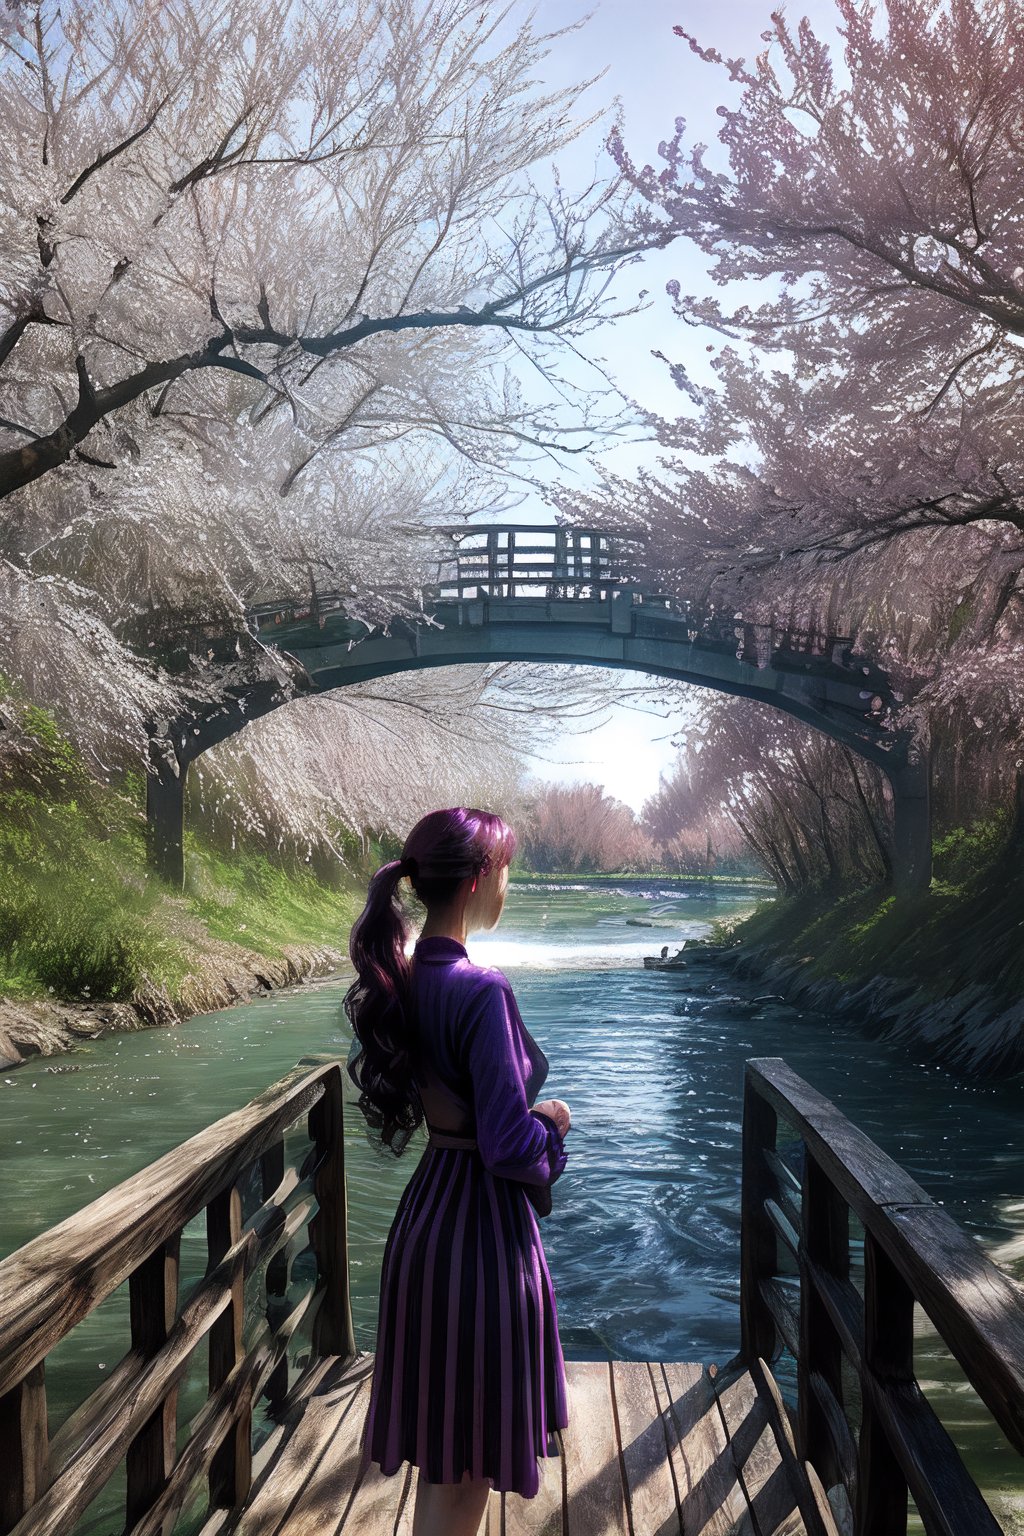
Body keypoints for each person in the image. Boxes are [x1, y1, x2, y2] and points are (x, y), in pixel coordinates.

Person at [345, 807, 572, 1535]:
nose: (509, 885)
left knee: (442, 1453)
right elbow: (509, 1145)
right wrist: (553, 1128)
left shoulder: (400, 977)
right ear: (479, 880)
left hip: (424, 1223)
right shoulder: (483, 989)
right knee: (470, 1459)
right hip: (481, 1236)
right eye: (506, 871)